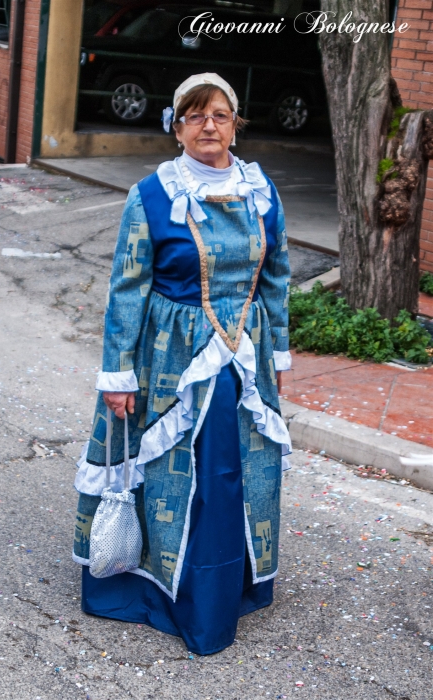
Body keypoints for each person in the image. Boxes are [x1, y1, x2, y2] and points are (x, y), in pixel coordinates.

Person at [72, 73, 292, 656]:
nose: (208, 126)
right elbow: (127, 289)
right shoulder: (151, 194)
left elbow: (276, 277)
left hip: (240, 359)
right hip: (168, 359)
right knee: (172, 474)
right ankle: (155, 589)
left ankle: (219, 595)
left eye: (219, 115)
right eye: (194, 116)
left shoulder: (260, 191)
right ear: (176, 128)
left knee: (228, 473)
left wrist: (277, 351)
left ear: (235, 125)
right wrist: (118, 373)